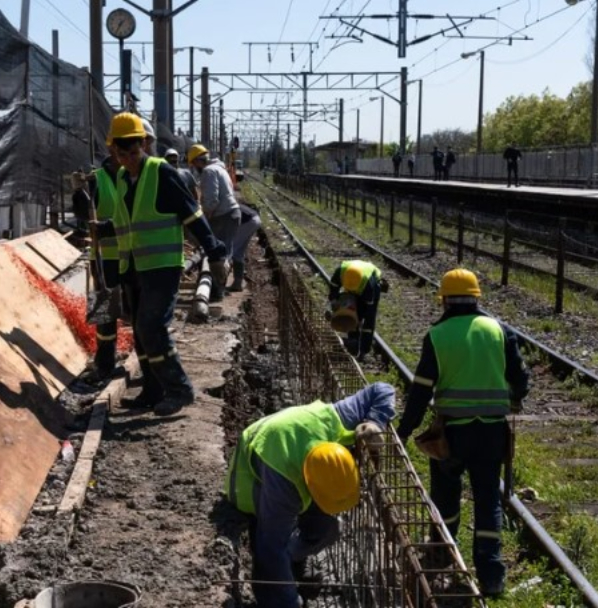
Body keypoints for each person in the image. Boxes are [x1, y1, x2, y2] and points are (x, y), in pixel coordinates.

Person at [396, 269, 530, 598]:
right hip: (491, 433)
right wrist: (511, 397)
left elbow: (420, 391)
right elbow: (521, 381)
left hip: (452, 435)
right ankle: (491, 574)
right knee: (488, 500)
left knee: (446, 496)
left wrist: (404, 429)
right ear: (476, 297)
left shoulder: (438, 335)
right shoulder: (500, 330)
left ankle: (442, 553)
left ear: (443, 300)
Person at [94, 112, 228, 415]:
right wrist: (105, 229)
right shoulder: (121, 179)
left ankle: (179, 389)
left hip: (162, 266)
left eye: (133, 150)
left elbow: (192, 215)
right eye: (121, 151)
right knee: (141, 331)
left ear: (143, 144)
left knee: (151, 326)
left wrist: (215, 251)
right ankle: (153, 391)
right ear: (112, 150)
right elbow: (125, 222)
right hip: (134, 267)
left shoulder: (162, 173)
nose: (127, 157)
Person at [226, 381, 396, 608]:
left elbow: (382, 389)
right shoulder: (284, 485)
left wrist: (375, 422)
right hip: (252, 474)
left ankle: (293, 557)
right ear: (310, 487)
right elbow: (271, 548)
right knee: (269, 546)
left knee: (327, 529)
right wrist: (291, 602)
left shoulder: (340, 420)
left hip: (292, 444)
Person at [71, 141, 130, 386]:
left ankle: (147, 363)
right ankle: (104, 363)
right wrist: (78, 195)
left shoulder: (134, 177)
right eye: (120, 150)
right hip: (104, 258)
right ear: (112, 152)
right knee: (105, 314)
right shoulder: (97, 179)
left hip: (132, 255)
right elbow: (84, 213)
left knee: (135, 310)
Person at [188, 144, 240, 301]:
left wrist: (204, 217)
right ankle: (219, 289)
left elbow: (212, 200)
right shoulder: (220, 169)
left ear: (198, 161)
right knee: (225, 252)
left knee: (217, 254)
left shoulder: (209, 172)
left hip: (222, 216)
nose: (194, 168)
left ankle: (217, 292)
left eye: (193, 164)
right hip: (231, 214)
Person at [327, 260, 389, 359]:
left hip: (372, 285)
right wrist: (333, 302)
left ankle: (364, 349)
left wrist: (360, 318)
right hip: (358, 284)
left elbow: (369, 315)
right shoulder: (340, 272)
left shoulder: (369, 285)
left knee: (367, 318)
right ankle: (353, 341)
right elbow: (333, 288)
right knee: (351, 310)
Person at [227, 203, 262, 291]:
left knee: (230, 250)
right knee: (239, 253)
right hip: (254, 219)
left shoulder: (221, 208)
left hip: (248, 221)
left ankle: (218, 284)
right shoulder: (227, 203)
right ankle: (238, 283)